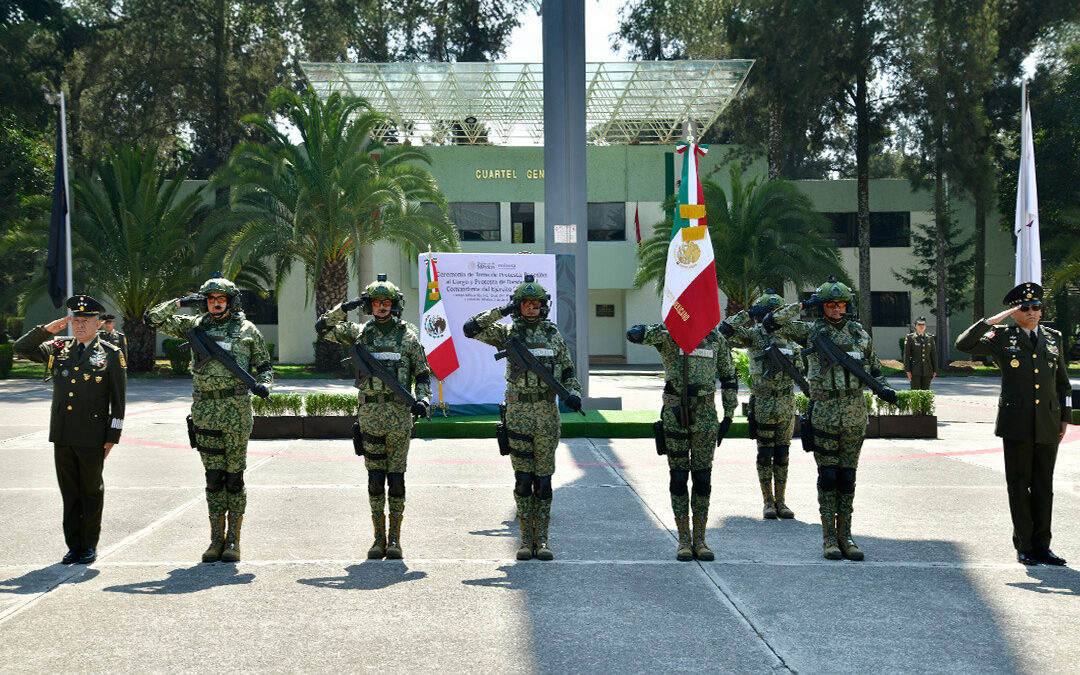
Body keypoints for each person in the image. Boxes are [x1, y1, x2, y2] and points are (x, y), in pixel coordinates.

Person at [764, 277, 897, 561]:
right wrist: (803, 304)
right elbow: (771, 323)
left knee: (847, 477)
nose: (837, 309)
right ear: (822, 306)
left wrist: (885, 388)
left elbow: (874, 369)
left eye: (841, 304)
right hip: (824, 413)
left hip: (854, 413)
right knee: (828, 476)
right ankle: (829, 538)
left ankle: (846, 535)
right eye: (830, 304)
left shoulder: (859, 334)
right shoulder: (810, 331)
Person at [147, 274, 273, 563]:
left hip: (236, 411)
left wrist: (265, 384)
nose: (216, 304)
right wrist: (181, 302)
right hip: (205, 411)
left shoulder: (247, 330)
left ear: (231, 301)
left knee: (234, 478)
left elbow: (265, 366)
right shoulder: (194, 326)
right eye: (211, 299)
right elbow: (153, 319)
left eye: (221, 299)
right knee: (213, 478)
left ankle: (234, 541)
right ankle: (216, 540)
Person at [464, 274, 582, 561]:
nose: (532, 308)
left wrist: (574, 392)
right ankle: (525, 540)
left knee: (543, 481)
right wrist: (503, 310)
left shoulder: (553, 334)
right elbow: (471, 328)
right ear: (518, 306)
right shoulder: (507, 332)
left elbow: (567, 370)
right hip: (518, 415)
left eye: (536, 303)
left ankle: (543, 539)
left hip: (547, 415)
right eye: (526, 303)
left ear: (544, 306)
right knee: (523, 480)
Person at [315, 274, 432, 560]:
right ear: (369, 305)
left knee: (397, 479)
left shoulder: (408, 336)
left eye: (386, 302)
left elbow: (422, 374)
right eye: (376, 302)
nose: (381, 307)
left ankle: (395, 539)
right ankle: (378, 538)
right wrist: (349, 305)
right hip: (370, 416)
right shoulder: (359, 333)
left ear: (395, 305)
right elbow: (323, 327)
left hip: (399, 416)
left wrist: (423, 399)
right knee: (375, 479)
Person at [955, 282, 1070, 566]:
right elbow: (963, 344)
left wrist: (1065, 417)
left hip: (1048, 422)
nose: (1032, 312)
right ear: (1014, 312)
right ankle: (1025, 545)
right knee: (1019, 486)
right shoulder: (1002, 337)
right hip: (1017, 422)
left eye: (1036, 307)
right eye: (1025, 308)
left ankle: (1043, 545)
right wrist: (992, 321)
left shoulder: (1053, 338)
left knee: (1044, 486)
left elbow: (1062, 383)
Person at [13, 295, 126, 565]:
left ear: (98, 323)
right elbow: (21, 348)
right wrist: (46, 330)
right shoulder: (58, 348)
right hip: (63, 432)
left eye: (86, 320)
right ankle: (73, 546)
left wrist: (112, 437)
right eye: (76, 320)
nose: (80, 325)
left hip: (93, 435)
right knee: (69, 492)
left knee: (91, 491)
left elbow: (118, 402)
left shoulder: (111, 353)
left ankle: (89, 545)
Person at [627, 321, 738, 561]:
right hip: (676, 414)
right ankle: (684, 540)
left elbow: (729, 376)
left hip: (706, 415)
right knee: (678, 477)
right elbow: (636, 335)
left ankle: (701, 539)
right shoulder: (670, 335)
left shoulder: (716, 339)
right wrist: (660, 329)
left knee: (702, 478)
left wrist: (729, 413)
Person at [720, 289, 800, 520]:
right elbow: (725, 330)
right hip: (764, 402)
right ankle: (767, 502)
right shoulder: (754, 335)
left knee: (783, 453)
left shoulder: (791, 335)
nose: (773, 316)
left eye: (777, 311)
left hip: (786, 401)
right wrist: (748, 313)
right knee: (765, 453)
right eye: (768, 312)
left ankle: (781, 501)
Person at [903, 317, 937, 390]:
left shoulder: (930, 338)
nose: (921, 326)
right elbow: (907, 355)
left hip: (927, 370)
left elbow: (933, 355)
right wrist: (907, 370)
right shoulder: (910, 338)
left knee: (926, 392)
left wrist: (935, 370)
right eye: (919, 324)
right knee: (915, 392)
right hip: (915, 370)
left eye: (923, 325)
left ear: (925, 326)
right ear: (915, 326)